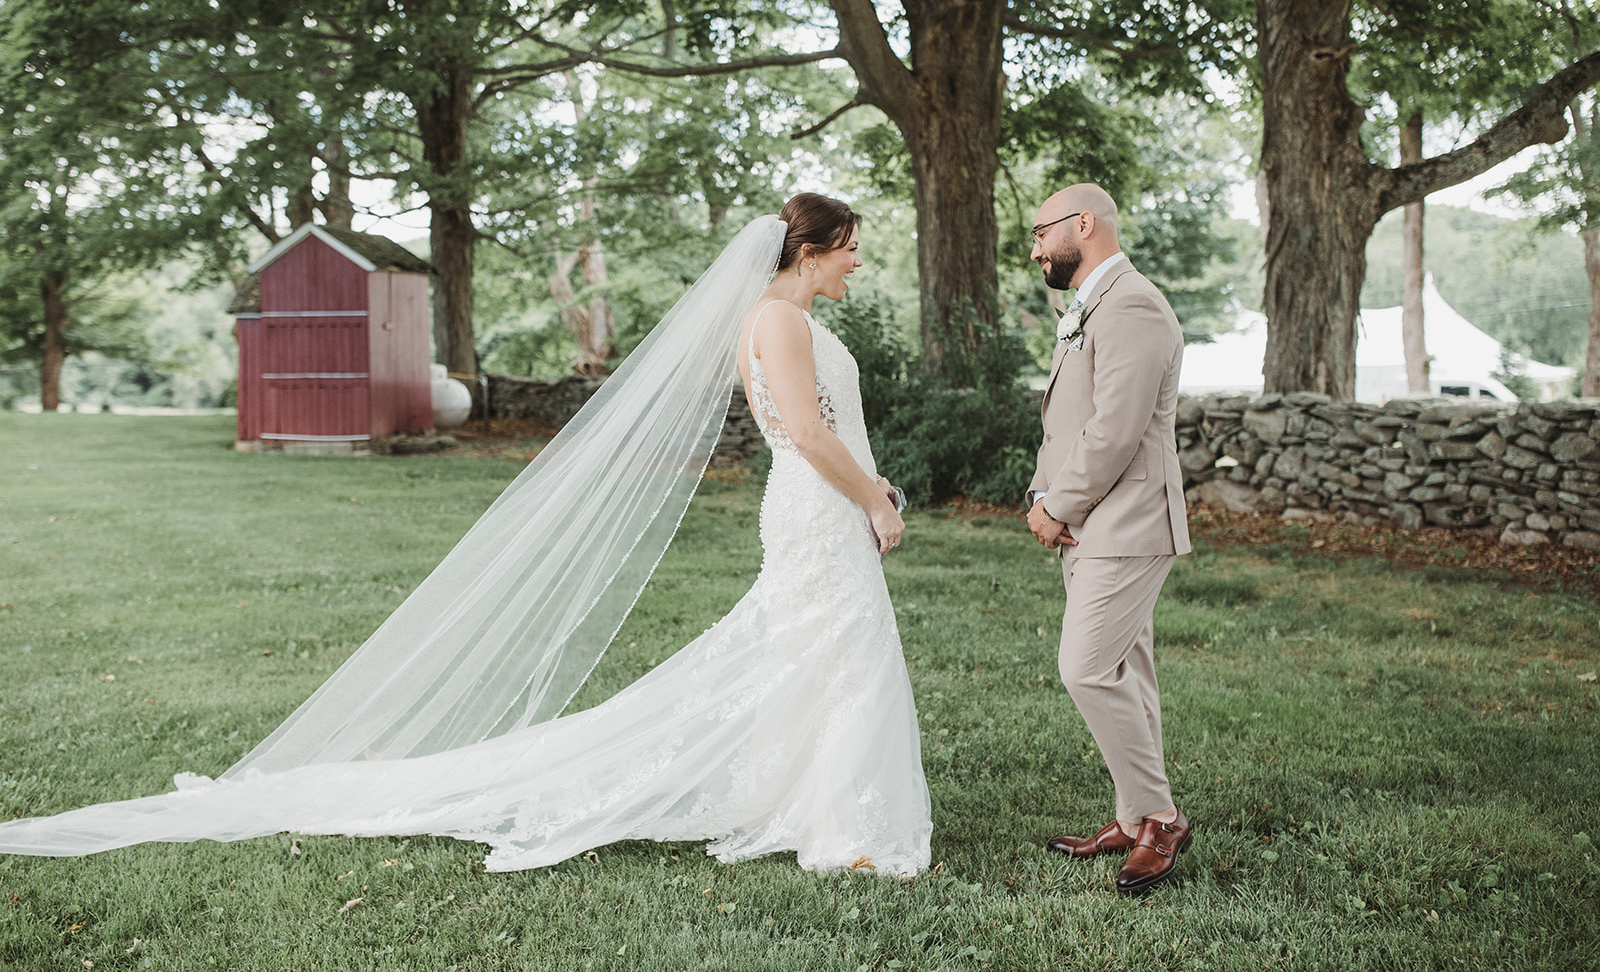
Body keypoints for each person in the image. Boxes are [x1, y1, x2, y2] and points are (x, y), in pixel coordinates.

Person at [0, 195, 932, 877]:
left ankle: (812, 803)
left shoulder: (783, 318)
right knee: (838, 650)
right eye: (851, 248)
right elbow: (805, 435)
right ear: (814, 249)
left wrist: (871, 480)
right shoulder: (776, 318)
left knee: (822, 655)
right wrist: (877, 503)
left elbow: (825, 430)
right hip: (816, 506)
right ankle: (843, 828)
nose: (858, 262)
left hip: (822, 502)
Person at [1023, 183, 1192, 895]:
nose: (1035, 249)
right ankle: (1131, 817)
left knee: (1086, 666)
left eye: (1040, 234)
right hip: (1089, 521)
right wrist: (1043, 493)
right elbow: (1065, 417)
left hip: (1125, 521)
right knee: (1127, 671)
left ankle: (1161, 816)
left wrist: (1059, 503)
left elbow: (1117, 428)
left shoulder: (1134, 304)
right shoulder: (1087, 305)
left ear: (1083, 224)